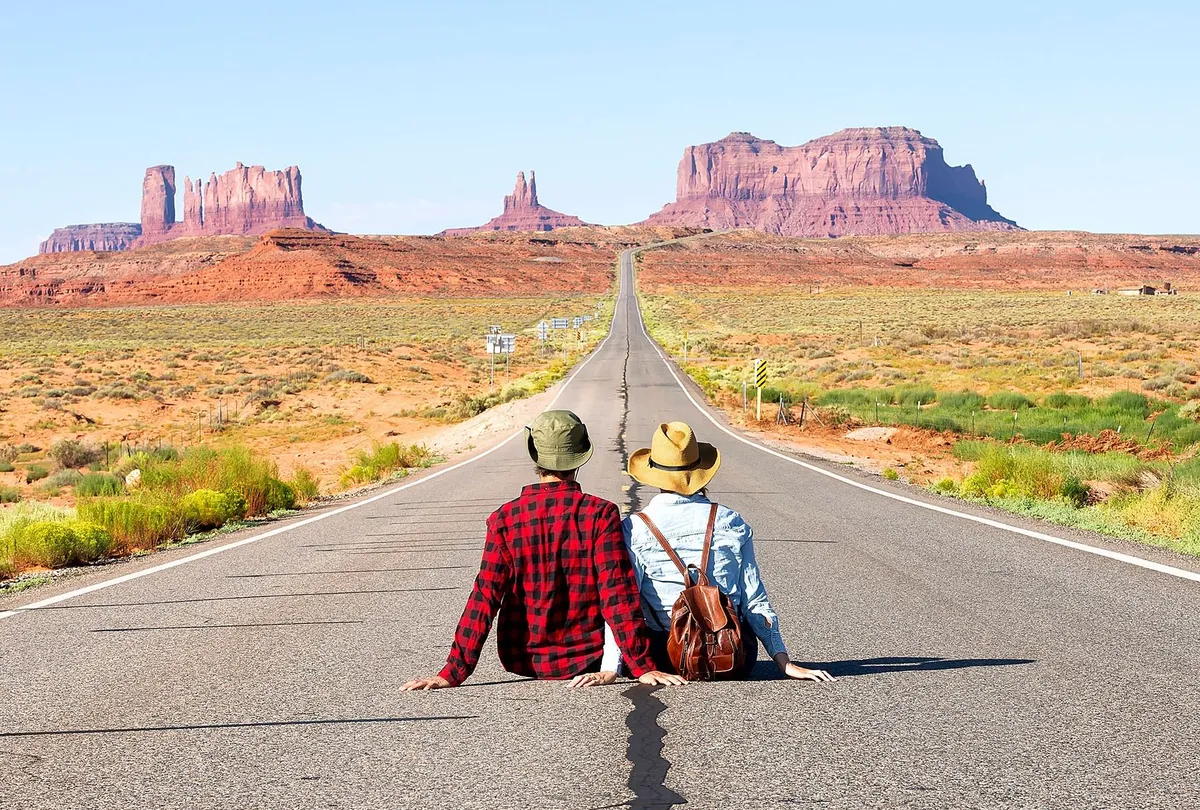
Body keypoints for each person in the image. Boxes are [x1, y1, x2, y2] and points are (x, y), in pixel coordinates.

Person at [402, 410, 685, 691]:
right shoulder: (600, 514)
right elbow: (616, 592)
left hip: (525, 660)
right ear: (582, 453)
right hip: (588, 657)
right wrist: (642, 665)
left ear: (534, 454)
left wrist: (453, 671)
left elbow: (485, 596)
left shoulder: (504, 519)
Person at [620, 421, 834, 683]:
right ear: (700, 471)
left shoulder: (636, 528)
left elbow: (626, 605)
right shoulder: (730, 520)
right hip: (732, 656)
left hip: (666, 656)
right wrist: (784, 661)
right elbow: (754, 598)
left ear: (654, 474)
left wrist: (629, 666)